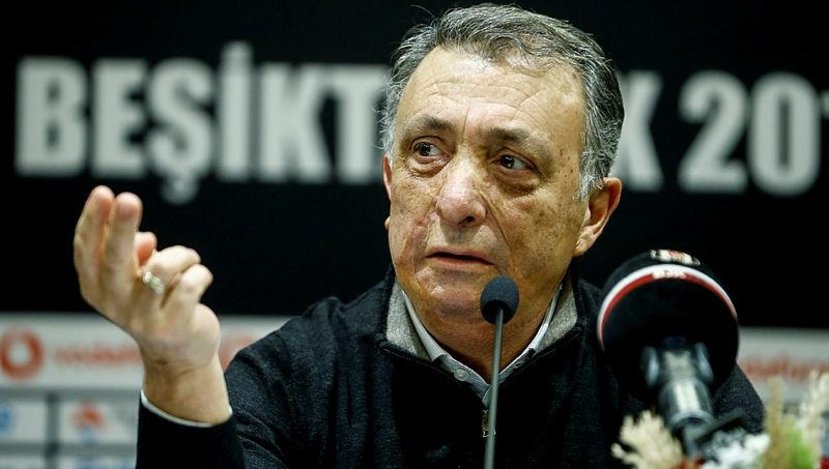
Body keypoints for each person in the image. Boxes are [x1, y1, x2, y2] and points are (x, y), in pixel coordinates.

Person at [72, 3, 764, 468]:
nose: (455, 201)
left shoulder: (671, 383)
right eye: (426, 152)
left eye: (510, 162)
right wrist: (177, 370)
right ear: (389, 181)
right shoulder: (296, 380)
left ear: (592, 212)